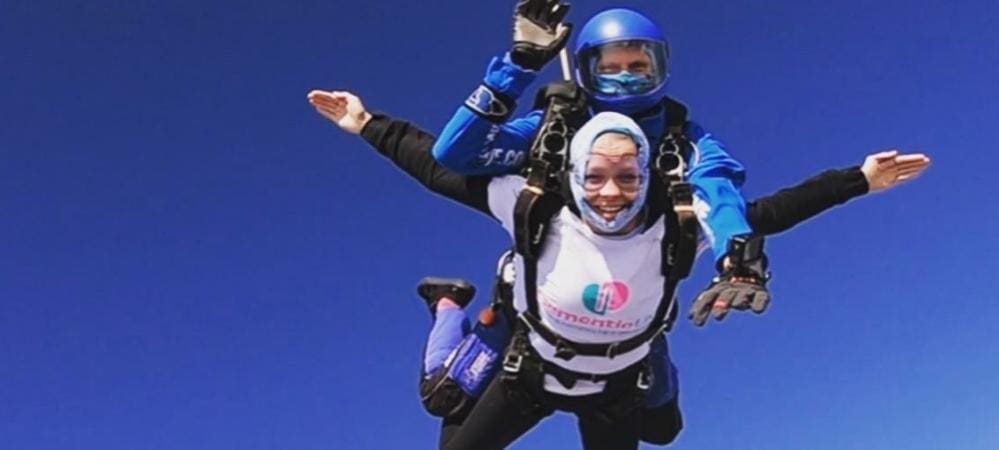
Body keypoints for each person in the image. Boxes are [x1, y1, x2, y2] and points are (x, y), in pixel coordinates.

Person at [307, 89, 930, 448]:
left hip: (614, 388)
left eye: (628, 176)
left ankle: (651, 354)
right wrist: (366, 123)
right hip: (531, 372)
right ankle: (449, 306)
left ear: (647, 178)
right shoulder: (533, 207)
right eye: (596, 177)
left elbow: (767, 212)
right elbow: (437, 169)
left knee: (665, 432)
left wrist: (857, 181)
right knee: (441, 408)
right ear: (574, 175)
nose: (611, 192)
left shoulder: (677, 220)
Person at [433, 2, 758, 283]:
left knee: (646, 352)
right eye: (609, 68)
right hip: (545, 289)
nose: (624, 76)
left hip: (634, 305)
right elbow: (457, 154)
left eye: (638, 67)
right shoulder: (556, 125)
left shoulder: (683, 140)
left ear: (660, 68)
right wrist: (517, 69)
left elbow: (718, 193)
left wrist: (738, 259)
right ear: (586, 73)